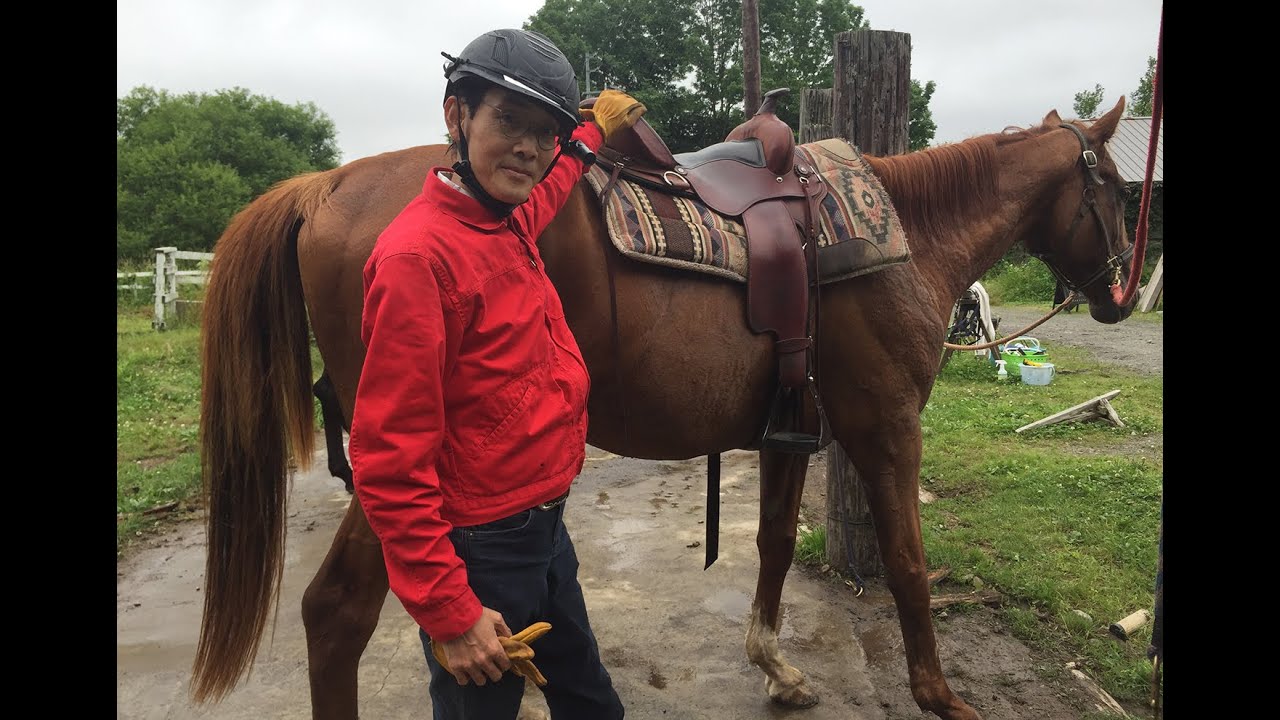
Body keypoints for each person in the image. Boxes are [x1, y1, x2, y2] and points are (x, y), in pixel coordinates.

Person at [346, 27, 646, 720]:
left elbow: (551, 182)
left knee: (593, 705)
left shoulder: (503, 218)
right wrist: (451, 613)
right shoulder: (416, 260)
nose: (529, 148)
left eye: (544, 132)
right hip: (482, 551)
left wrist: (586, 139)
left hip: (544, 528)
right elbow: (388, 462)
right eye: (509, 120)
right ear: (456, 115)